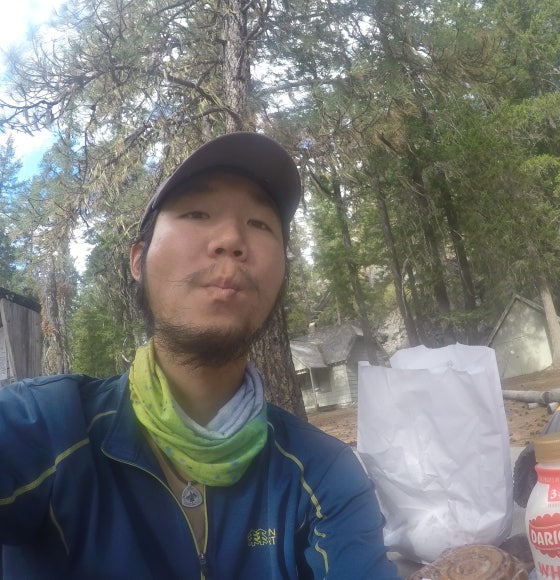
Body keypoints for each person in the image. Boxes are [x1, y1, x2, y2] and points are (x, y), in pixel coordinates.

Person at [0, 132, 399, 579]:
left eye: (260, 224)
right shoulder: (44, 428)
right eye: (196, 213)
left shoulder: (324, 475)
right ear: (138, 261)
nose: (231, 239)